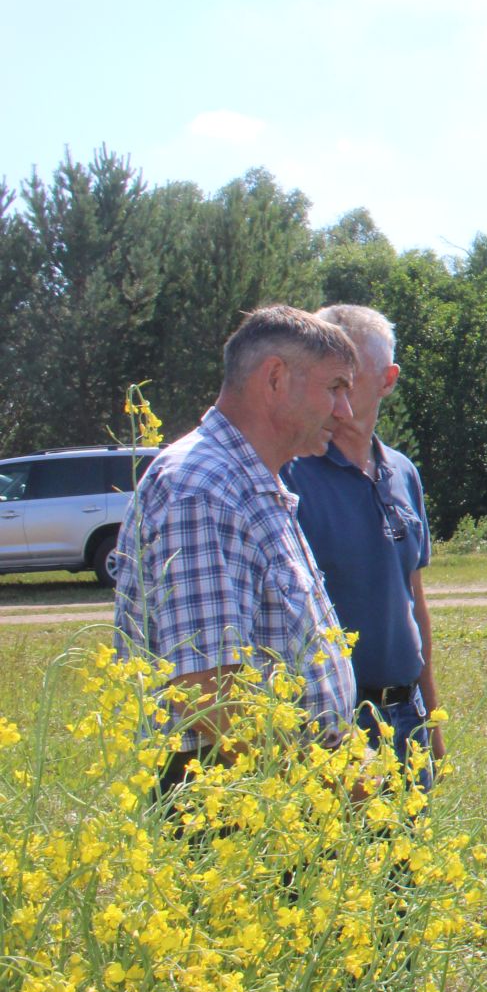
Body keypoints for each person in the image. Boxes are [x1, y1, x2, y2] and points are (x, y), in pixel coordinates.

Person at [113, 306, 362, 795]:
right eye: (334, 387)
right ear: (275, 378)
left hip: (277, 798)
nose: (345, 411)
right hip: (236, 813)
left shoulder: (250, 482)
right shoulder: (203, 487)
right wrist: (338, 790)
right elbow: (211, 695)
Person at [283, 305, 444, 786]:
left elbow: (413, 599)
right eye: (329, 375)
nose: (339, 389)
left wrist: (432, 717)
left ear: (388, 380)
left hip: (406, 714)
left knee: (413, 860)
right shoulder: (289, 472)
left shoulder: (402, 471)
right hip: (332, 723)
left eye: (350, 373)